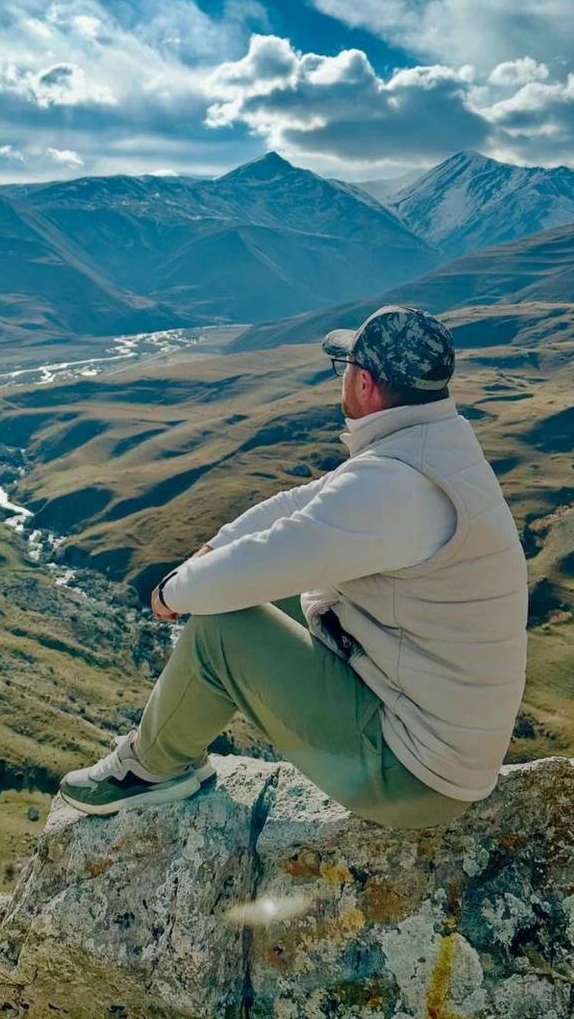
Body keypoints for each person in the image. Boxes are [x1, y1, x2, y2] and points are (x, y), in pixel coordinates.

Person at [59, 305, 529, 829]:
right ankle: (171, 749)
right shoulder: (434, 449)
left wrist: (175, 594)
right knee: (274, 597)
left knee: (223, 626)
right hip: (434, 739)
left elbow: (272, 556)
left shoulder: (397, 485)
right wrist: (211, 551)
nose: (341, 380)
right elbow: (302, 502)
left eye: (344, 367)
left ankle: (149, 770)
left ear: (366, 384)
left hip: (411, 778)